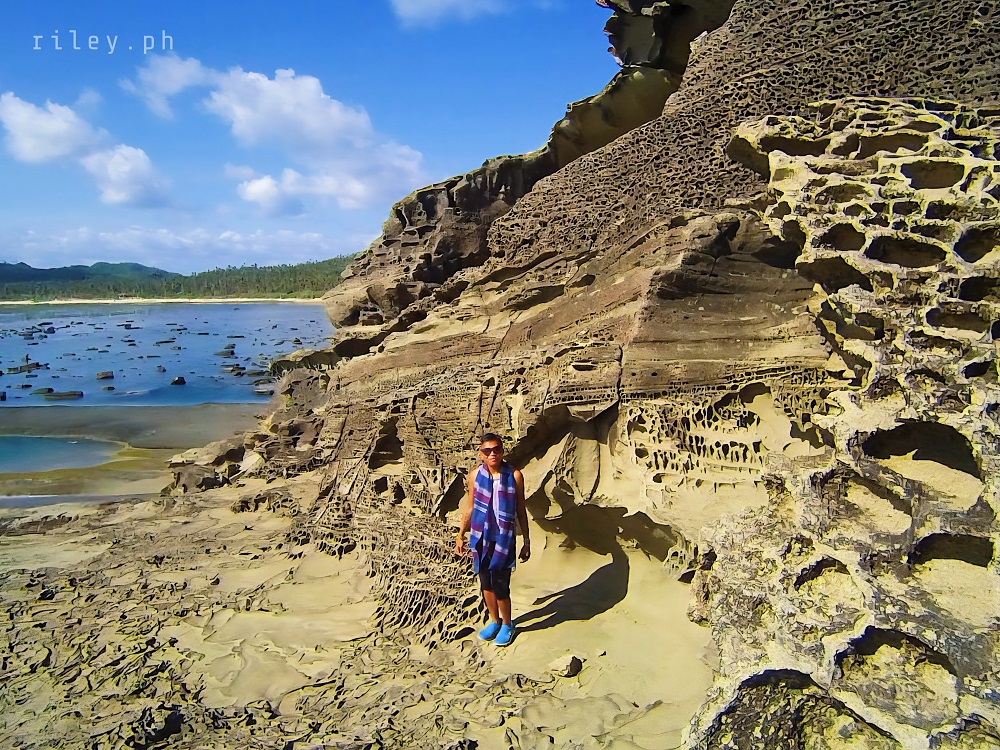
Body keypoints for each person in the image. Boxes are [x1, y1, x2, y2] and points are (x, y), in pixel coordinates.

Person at [454, 433, 530, 647]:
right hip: (481, 536)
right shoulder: (474, 476)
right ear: (481, 454)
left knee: (501, 584)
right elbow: (470, 507)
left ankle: (507, 624)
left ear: (502, 451)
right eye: (487, 451)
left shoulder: (514, 476)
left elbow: (521, 510)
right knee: (485, 582)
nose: (492, 454)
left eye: (496, 449)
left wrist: (526, 541)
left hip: (503, 539)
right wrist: (461, 534)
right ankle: (494, 621)